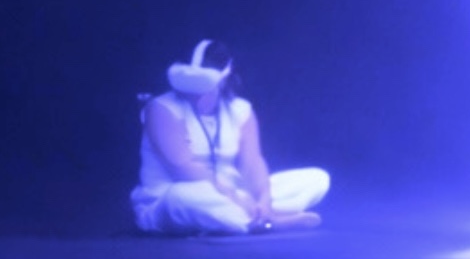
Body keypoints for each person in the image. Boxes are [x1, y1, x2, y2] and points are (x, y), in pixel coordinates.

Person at [131, 39, 330, 235]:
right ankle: (262, 222)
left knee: (317, 178)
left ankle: (262, 213)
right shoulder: (161, 108)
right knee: (185, 198)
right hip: (176, 195)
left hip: (237, 195)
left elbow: (252, 163)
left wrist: (264, 198)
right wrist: (234, 198)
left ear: (223, 77)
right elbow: (182, 169)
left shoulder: (240, 110)